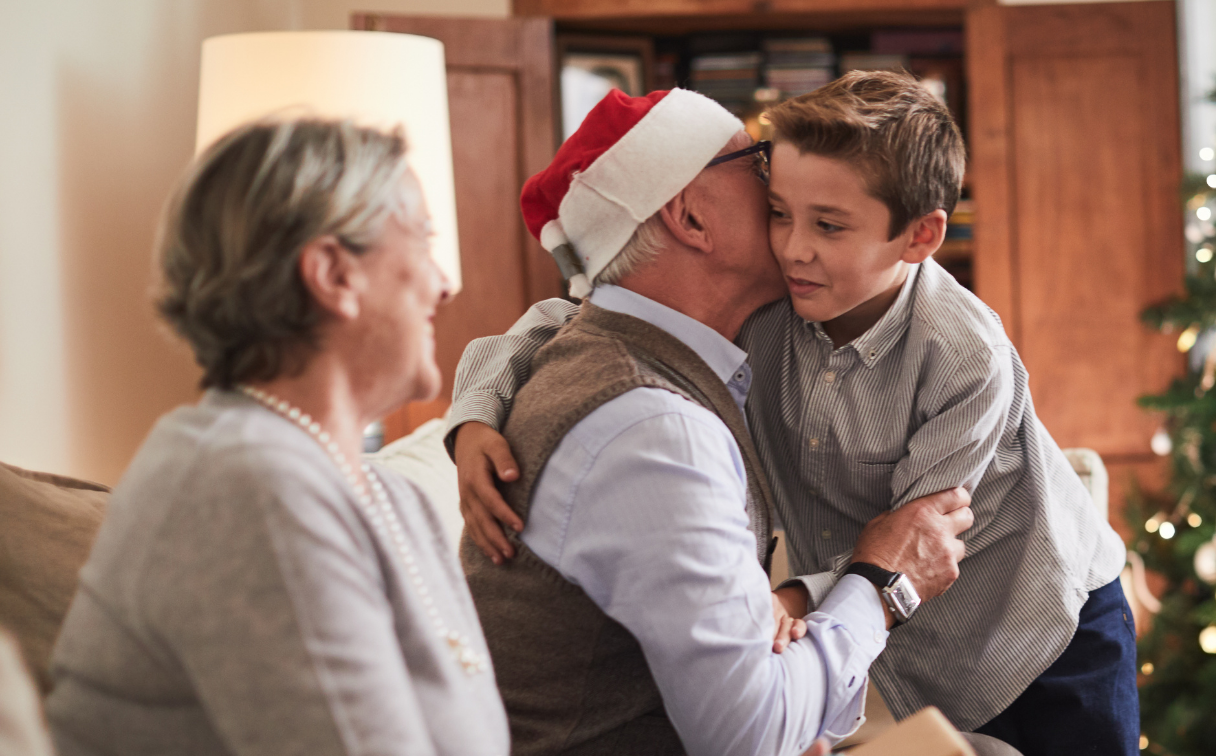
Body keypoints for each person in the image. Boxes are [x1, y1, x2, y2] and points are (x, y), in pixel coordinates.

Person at [452, 73, 1135, 756]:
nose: (794, 244)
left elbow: (921, 538)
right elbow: (577, 315)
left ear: (918, 236)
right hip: (910, 636)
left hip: (1045, 623)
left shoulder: (961, 353)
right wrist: (476, 410)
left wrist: (796, 601)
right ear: (692, 219)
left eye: (828, 223)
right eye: (774, 201)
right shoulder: (761, 312)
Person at [44, 119, 509, 756]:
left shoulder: (383, 496)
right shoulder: (245, 483)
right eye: (423, 242)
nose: (444, 282)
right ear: (332, 274)